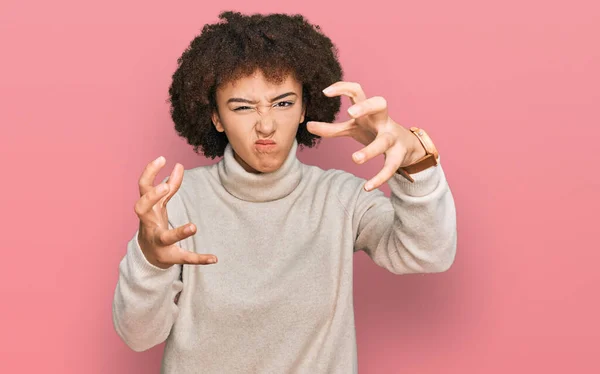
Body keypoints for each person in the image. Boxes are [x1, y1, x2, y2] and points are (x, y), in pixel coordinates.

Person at [112, 10, 457, 374]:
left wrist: (416, 159)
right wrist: (150, 262)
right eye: (243, 107)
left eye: (283, 103)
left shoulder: (339, 199)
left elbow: (429, 253)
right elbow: (138, 336)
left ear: (305, 106)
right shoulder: (180, 201)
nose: (265, 124)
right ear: (215, 117)